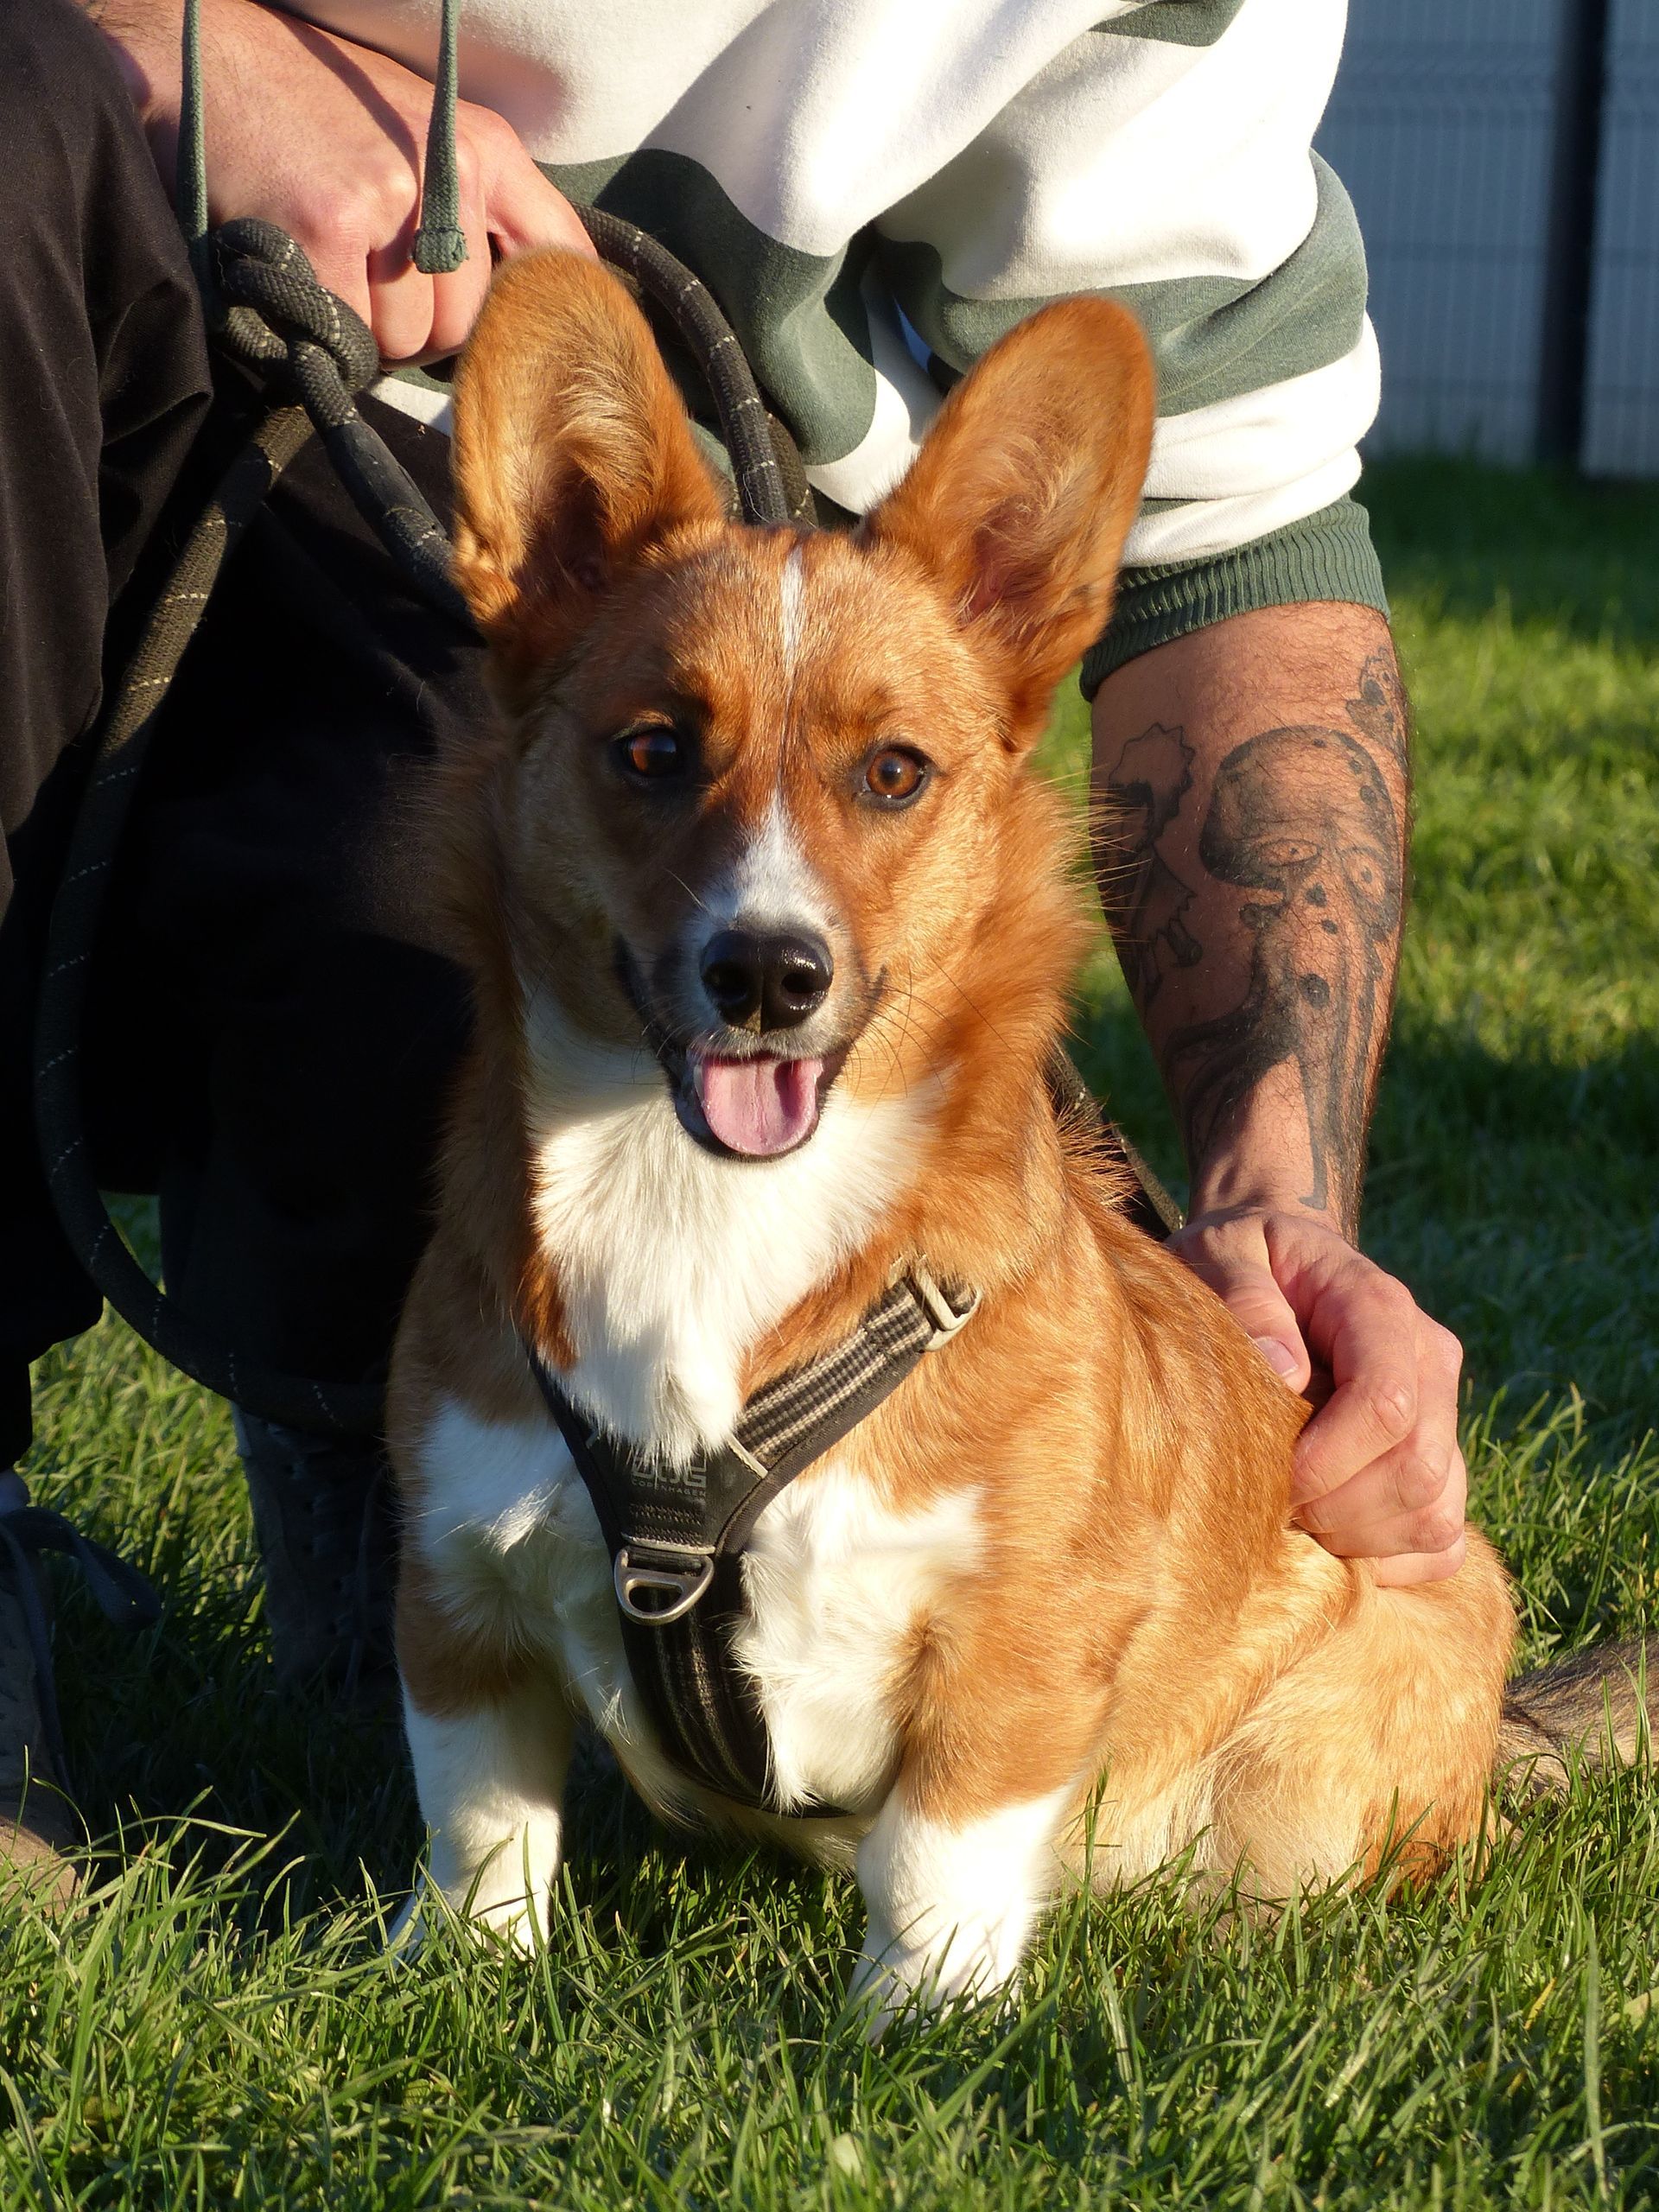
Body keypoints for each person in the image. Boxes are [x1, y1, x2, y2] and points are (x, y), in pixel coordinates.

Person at [0, 0, 1469, 1892]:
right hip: (100, 344)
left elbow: (1235, 507)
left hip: (610, 565)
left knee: (403, 958)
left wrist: (1285, 1196)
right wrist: (158, 36)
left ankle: (459, 1539)